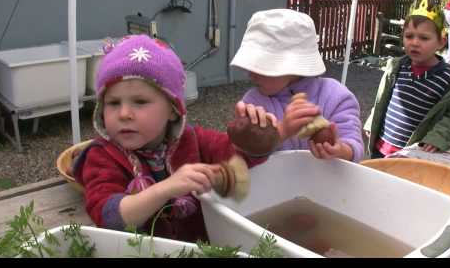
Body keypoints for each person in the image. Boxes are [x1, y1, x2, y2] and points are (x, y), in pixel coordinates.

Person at [71, 34, 310, 243]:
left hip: (201, 248)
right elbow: (109, 216)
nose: (124, 114)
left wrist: (268, 134)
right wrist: (165, 189)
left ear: (174, 109)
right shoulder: (102, 156)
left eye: (140, 102)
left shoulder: (194, 140)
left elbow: (238, 157)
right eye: (113, 103)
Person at [229, 8, 364, 162]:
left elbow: (355, 146)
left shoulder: (336, 96)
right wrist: (281, 131)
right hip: (273, 183)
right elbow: (243, 154)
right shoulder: (254, 102)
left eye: (261, 66)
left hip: (326, 182)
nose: (251, 74)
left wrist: (341, 150)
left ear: (292, 67)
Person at [364, 0, 450, 159]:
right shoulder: (397, 67)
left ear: (441, 42)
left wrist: (438, 137)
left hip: (412, 155)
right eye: (409, 36)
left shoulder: (449, 78)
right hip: (381, 147)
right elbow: (382, 100)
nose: (414, 42)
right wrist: (372, 120)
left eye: (424, 38)